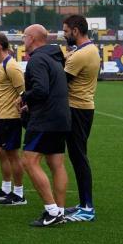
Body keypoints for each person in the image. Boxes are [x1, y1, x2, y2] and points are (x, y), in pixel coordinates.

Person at [20, 24, 71, 227]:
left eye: (24, 36)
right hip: (61, 118)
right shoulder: (54, 57)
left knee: (29, 161)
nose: (23, 40)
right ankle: (59, 210)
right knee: (56, 164)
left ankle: (52, 211)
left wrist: (24, 97)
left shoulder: (38, 59)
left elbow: (41, 90)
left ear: (32, 38)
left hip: (45, 119)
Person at [62, 14, 99, 222]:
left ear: (76, 31)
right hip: (83, 108)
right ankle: (84, 204)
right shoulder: (89, 49)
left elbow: (61, 82)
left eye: (66, 31)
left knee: (79, 158)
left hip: (77, 109)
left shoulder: (80, 55)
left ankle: (87, 208)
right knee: (78, 157)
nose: (65, 35)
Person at [0, 32, 26, 206]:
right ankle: (6, 189)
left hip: (11, 117)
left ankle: (18, 194)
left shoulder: (11, 66)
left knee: (12, 154)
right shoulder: (3, 64)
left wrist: (21, 106)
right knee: (0, 151)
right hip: (2, 116)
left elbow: (24, 91)